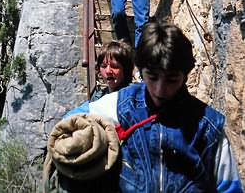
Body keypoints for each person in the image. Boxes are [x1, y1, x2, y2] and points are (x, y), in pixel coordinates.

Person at [70, 22, 243, 193]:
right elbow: (71, 122)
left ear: (186, 75)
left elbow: (230, 188)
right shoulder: (123, 105)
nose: (160, 90)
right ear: (140, 71)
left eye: (171, 79)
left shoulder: (208, 127)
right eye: (152, 77)